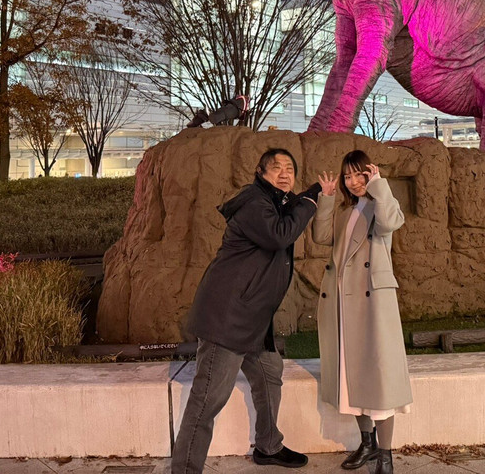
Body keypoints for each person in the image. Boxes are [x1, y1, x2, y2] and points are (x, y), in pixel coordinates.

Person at [172, 148, 321, 473]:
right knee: (207, 400)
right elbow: (280, 234)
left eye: (290, 169)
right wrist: (309, 203)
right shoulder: (254, 202)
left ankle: (268, 446)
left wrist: (313, 193)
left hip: (251, 321)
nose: (285, 173)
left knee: (269, 374)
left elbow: (289, 209)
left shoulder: (273, 202)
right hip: (228, 321)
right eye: (276, 168)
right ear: (261, 173)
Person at [313, 150, 412, 474]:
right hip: (343, 302)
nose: (353, 182)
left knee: (379, 378)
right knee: (352, 375)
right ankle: (367, 444)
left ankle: (385, 455)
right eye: (348, 177)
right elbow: (321, 237)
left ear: (370, 174)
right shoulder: (345, 211)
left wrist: (380, 185)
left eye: (359, 175)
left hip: (371, 304)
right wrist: (326, 200)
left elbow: (390, 223)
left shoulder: (380, 204)